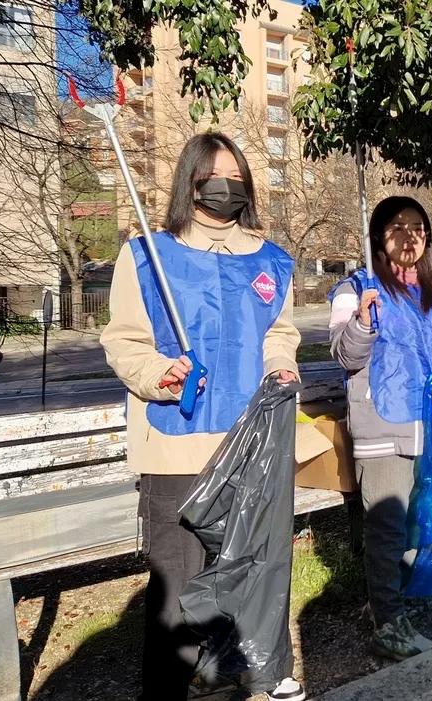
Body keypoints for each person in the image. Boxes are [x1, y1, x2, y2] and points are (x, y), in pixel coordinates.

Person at [100, 133, 305, 701]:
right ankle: (169, 689)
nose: (226, 186)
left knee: (249, 570)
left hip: (250, 447)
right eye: (213, 175)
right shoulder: (146, 256)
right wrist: (159, 375)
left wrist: (281, 366)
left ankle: (238, 674)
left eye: (237, 178)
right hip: (176, 450)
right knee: (178, 588)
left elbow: (278, 334)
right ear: (189, 181)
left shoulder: (271, 261)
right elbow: (124, 341)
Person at [327, 196, 432, 659]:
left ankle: (391, 603)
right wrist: (364, 323)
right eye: (397, 227)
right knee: (386, 529)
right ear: (379, 237)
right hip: (381, 424)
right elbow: (346, 356)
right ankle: (387, 621)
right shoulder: (355, 289)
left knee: (413, 526)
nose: (409, 236)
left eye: (418, 228)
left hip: (429, 428)